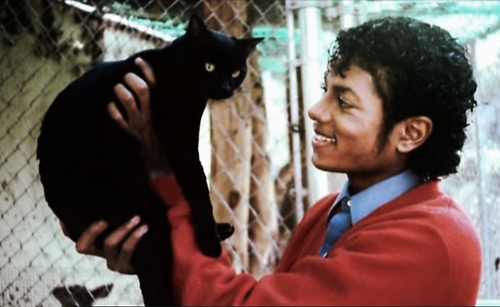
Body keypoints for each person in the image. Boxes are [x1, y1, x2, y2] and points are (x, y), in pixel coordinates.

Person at [65, 16, 482, 305]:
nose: (317, 110)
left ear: (410, 133)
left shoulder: (432, 241)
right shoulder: (328, 213)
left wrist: (165, 174)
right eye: (325, 89)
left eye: (344, 101)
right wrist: (156, 256)